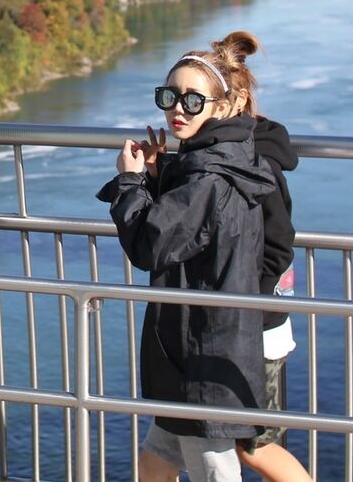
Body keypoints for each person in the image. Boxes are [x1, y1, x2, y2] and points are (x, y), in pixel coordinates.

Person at [96, 31, 277, 482]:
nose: (178, 109)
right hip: (203, 342)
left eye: (193, 101)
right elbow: (190, 232)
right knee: (157, 458)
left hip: (200, 352)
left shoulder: (209, 177)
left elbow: (151, 245)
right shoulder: (224, 159)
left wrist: (130, 182)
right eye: (169, 96)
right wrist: (157, 174)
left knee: (213, 469)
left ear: (223, 106)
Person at [238, 116, 313, 482]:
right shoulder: (222, 154)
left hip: (258, 328)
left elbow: (279, 246)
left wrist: (251, 303)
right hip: (242, 324)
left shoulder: (258, 163)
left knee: (255, 445)